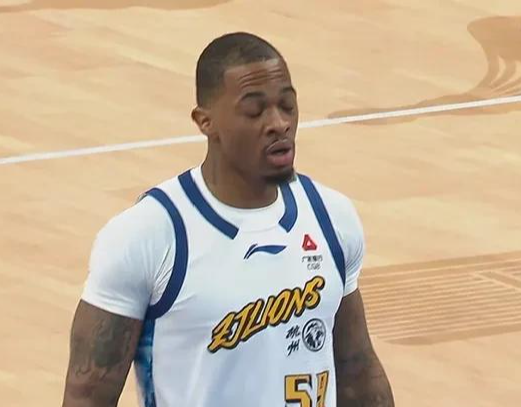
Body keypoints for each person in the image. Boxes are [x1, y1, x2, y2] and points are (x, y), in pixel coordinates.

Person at [61, 32, 395, 407]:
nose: (279, 123)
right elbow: (87, 395)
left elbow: (357, 370)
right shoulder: (149, 234)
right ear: (205, 122)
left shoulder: (331, 216)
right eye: (255, 111)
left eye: (287, 106)